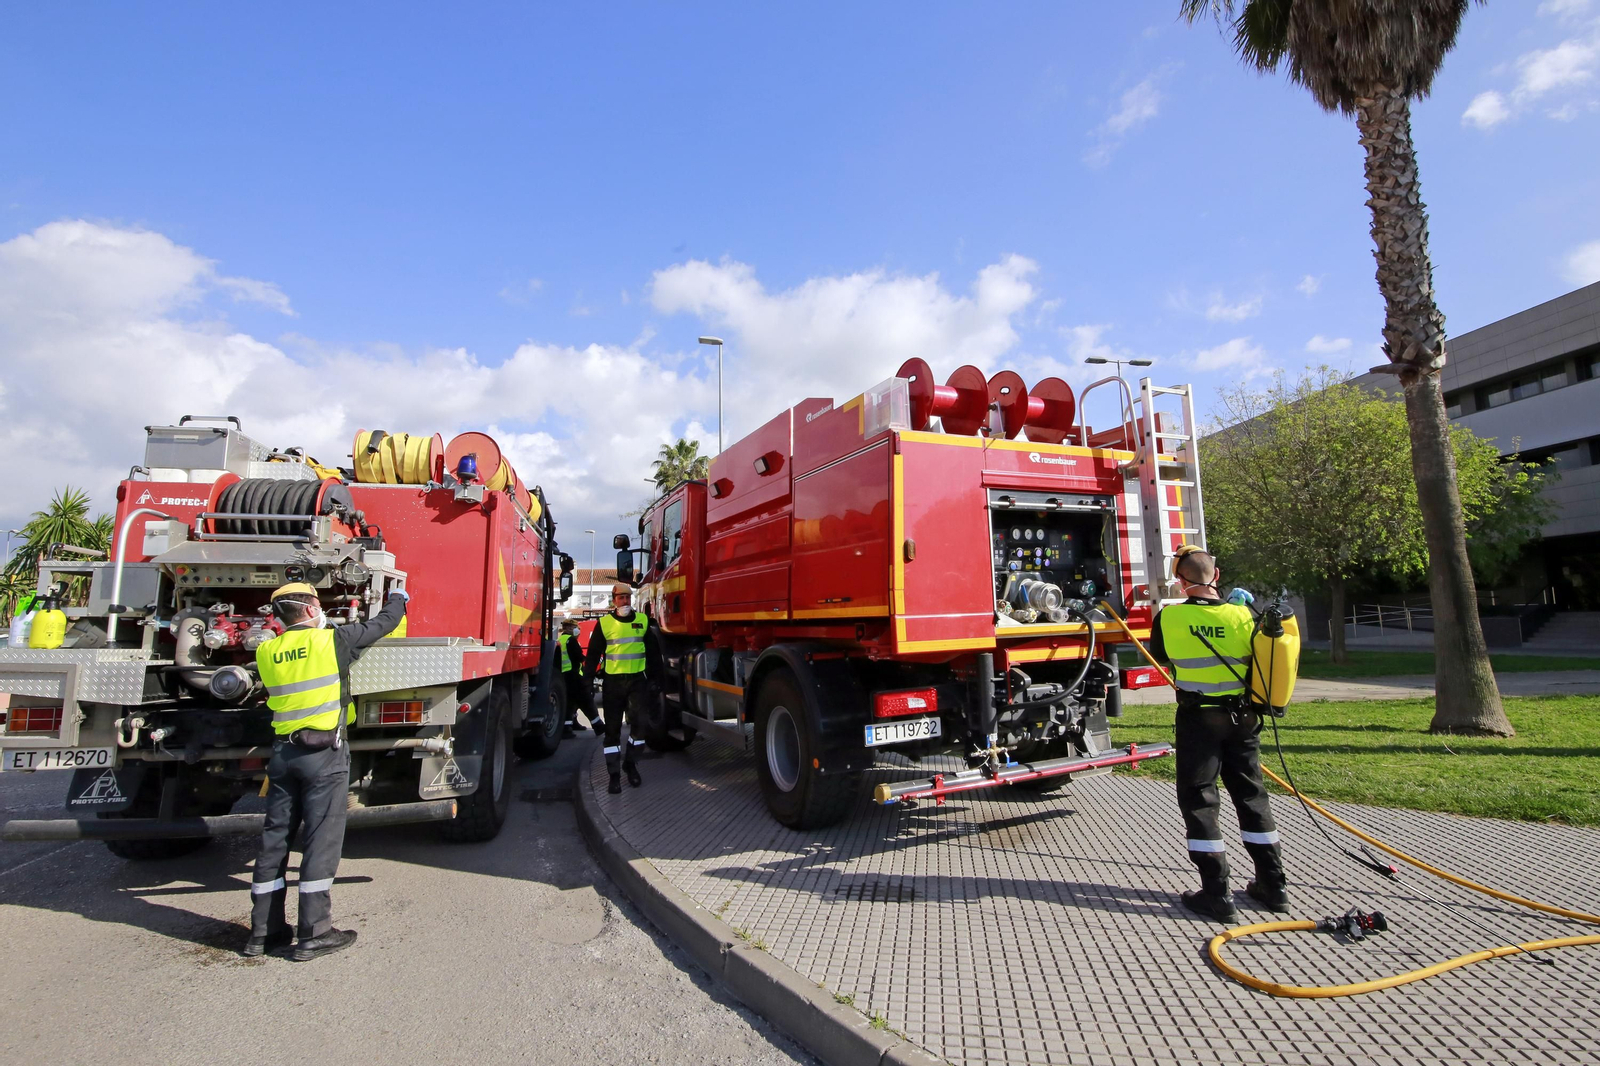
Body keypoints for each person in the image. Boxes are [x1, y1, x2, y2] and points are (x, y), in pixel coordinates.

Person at [245, 581, 408, 960]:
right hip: (323, 755)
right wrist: (398, 597)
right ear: (310, 609)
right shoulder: (331, 641)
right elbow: (383, 623)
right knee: (321, 841)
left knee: (274, 842)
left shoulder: (268, 650)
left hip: (283, 756)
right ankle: (315, 933)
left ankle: (262, 934)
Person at [1147, 547, 1289, 925]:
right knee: (1251, 795)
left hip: (1199, 719)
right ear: (1218, 575)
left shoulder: (1169, 617)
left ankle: (1217, 894)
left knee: (1200, 800)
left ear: (1180, 581)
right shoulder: (1243, 614)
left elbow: (1161, 654)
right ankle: (1273, 886)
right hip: (1243, 717)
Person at [584, 583, 661, 794]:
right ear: (613, 600)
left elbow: (654, 655)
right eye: (621, 598)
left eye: (628, 598)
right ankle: (614, 775)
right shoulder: (605, 623)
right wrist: (587, 681)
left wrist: (656, 680)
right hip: (613, 684)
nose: (625, 601)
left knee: (640, 726)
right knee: (612, 731)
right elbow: (592, 656)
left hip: (637, 682)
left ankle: (631, 764)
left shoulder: (643, 621)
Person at [558, 618, 594, 734]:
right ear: (568, 628)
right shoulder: (571, 640)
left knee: (571, 702)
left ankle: (572, 723)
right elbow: (578, 656)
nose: (577, 630)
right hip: (573, 675)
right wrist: (588, 661)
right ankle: (597, 726)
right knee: (582, 700)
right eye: (575, 628)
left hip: (564, 675)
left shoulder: (561, 640)